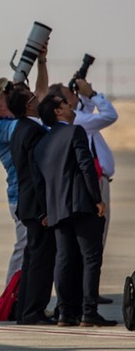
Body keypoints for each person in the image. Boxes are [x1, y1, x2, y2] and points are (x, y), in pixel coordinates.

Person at [33, 94, 114, 327]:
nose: (71, 107)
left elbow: (39, 183)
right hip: (81, 204)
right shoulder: (74, 132)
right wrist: (97, 199)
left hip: (57, 209)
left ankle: (65, 313)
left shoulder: (42, 143)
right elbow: (86, 166)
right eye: (66, 104)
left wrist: (45, 211)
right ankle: (89, 311)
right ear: (58, 111)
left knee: (64, 259)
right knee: (91, 258)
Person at [0, 45, 48, 285]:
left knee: (30, 246)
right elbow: (34, 111)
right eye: (6, 94)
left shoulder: (14, 121)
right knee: (24, 248)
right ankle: (10, 298)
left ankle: (20, 297)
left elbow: (38, 98)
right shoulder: (1, 127)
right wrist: (23, 93)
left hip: (27, 194)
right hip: (21, 196)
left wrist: (41, 63)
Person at [49, 77, 117, 304]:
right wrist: (93, 93)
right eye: (70, 96)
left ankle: (81, 297)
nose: (74, 99)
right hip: (93, 184)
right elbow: (109, 115)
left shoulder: (74, 120)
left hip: (90, 183)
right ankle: (88, 298)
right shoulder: (78, 122)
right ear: (61, 105)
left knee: (77, 250)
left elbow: (85, 110)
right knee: (92, 246)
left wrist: (85, 97)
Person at [7, 83, 56, 325]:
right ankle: (33, 311)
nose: (39, 100)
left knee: (31, 258)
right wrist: (45, 210)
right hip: (36, 205)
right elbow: (38, 174)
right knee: (41, 260)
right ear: (29, 105)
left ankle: (25, 310)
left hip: (27, 203)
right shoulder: (34, 131)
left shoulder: (20, 128)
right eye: (35, 98)